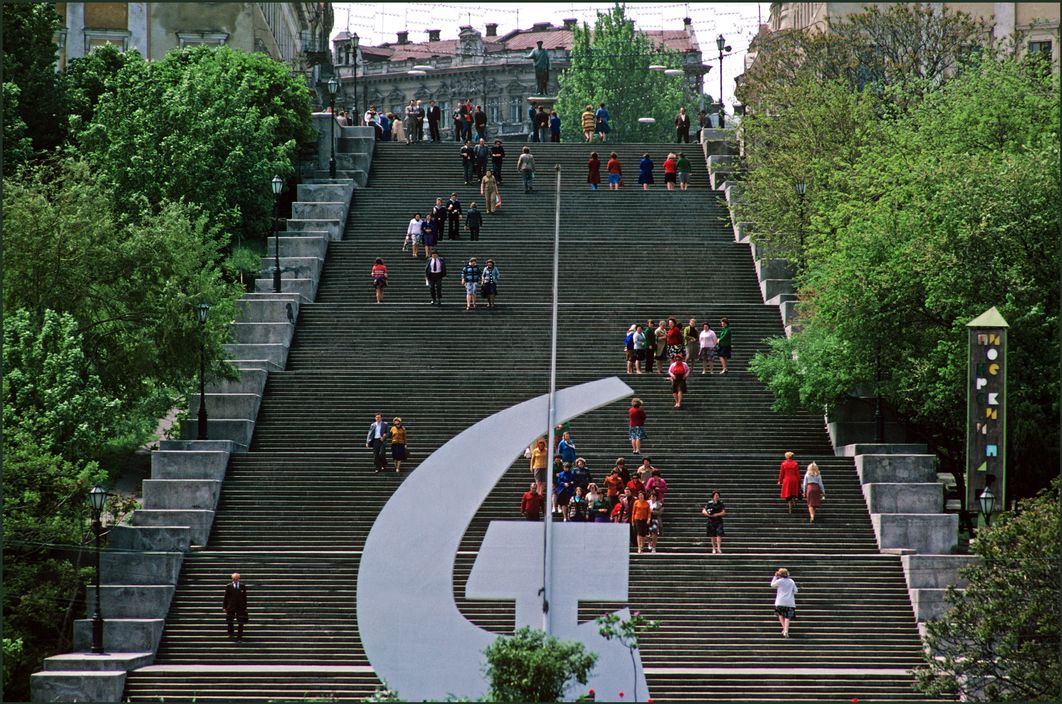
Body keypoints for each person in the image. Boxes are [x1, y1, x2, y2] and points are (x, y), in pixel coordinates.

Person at [771, 568, 798, 638]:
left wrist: (775, 577)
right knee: (787, 617)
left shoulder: (779, 581)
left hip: (780, 601)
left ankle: (784, 629)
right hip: (790, 601)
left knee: (780, 615)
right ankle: (786, 630)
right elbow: (796, 590)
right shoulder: (791, 581)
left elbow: (772, 585)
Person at [223, 572, 249, 641]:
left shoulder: (242, 586)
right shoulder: (229, 586)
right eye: (234, 579)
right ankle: (230, 633)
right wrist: (224, 607)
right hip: (231, 607)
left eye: (237, 579)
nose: (235, 580)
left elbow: (244, 597)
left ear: (239, 579)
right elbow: (225, 597)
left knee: (240, 622)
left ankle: (239, 636)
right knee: (230, 621)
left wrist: (245, 607)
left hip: (240, 607)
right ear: (232, 579)